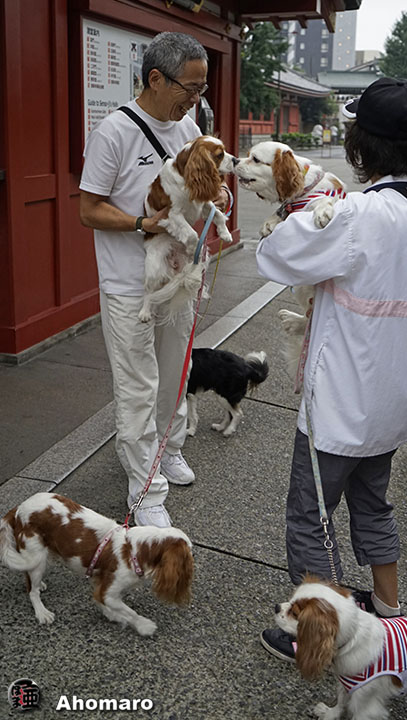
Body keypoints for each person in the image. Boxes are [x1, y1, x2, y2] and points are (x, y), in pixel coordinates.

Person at [256, 77, 407, 660]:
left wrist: (305, 207)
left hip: (341, 405)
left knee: (310, 517)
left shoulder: (356, 215)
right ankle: (389, 610)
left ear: (361, 145)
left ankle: (321, 635)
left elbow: (275, 256)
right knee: (373, 503)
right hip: (397, 402)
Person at [79, 32, 232, 528]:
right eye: (191, 87)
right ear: (155, 79)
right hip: (130, 283)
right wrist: (143, 223)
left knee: (175, 374)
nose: (197, 98)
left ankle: (169, 449)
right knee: (138, 387)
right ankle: (144, 489)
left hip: (180, 278)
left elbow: (201, 188)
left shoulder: (187, 125)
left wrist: (219, 198)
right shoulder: (113, 132)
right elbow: (89, 209)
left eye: (202, 89)